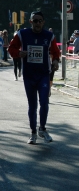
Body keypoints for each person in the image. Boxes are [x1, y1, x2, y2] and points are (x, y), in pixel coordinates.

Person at [8, 11, 60, 144]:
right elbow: (11, 48)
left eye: (40, 21)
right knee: (32, 105)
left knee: (44, 102)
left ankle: (42, 129)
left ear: (43, 22)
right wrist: (19, 53)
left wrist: (55, 61)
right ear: (30, 21)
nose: (37, 23)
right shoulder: (23, 34)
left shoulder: (49, 36)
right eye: (35, 21)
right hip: (29, 75)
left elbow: (55, 52)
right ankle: (33, 133)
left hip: (43, 74)